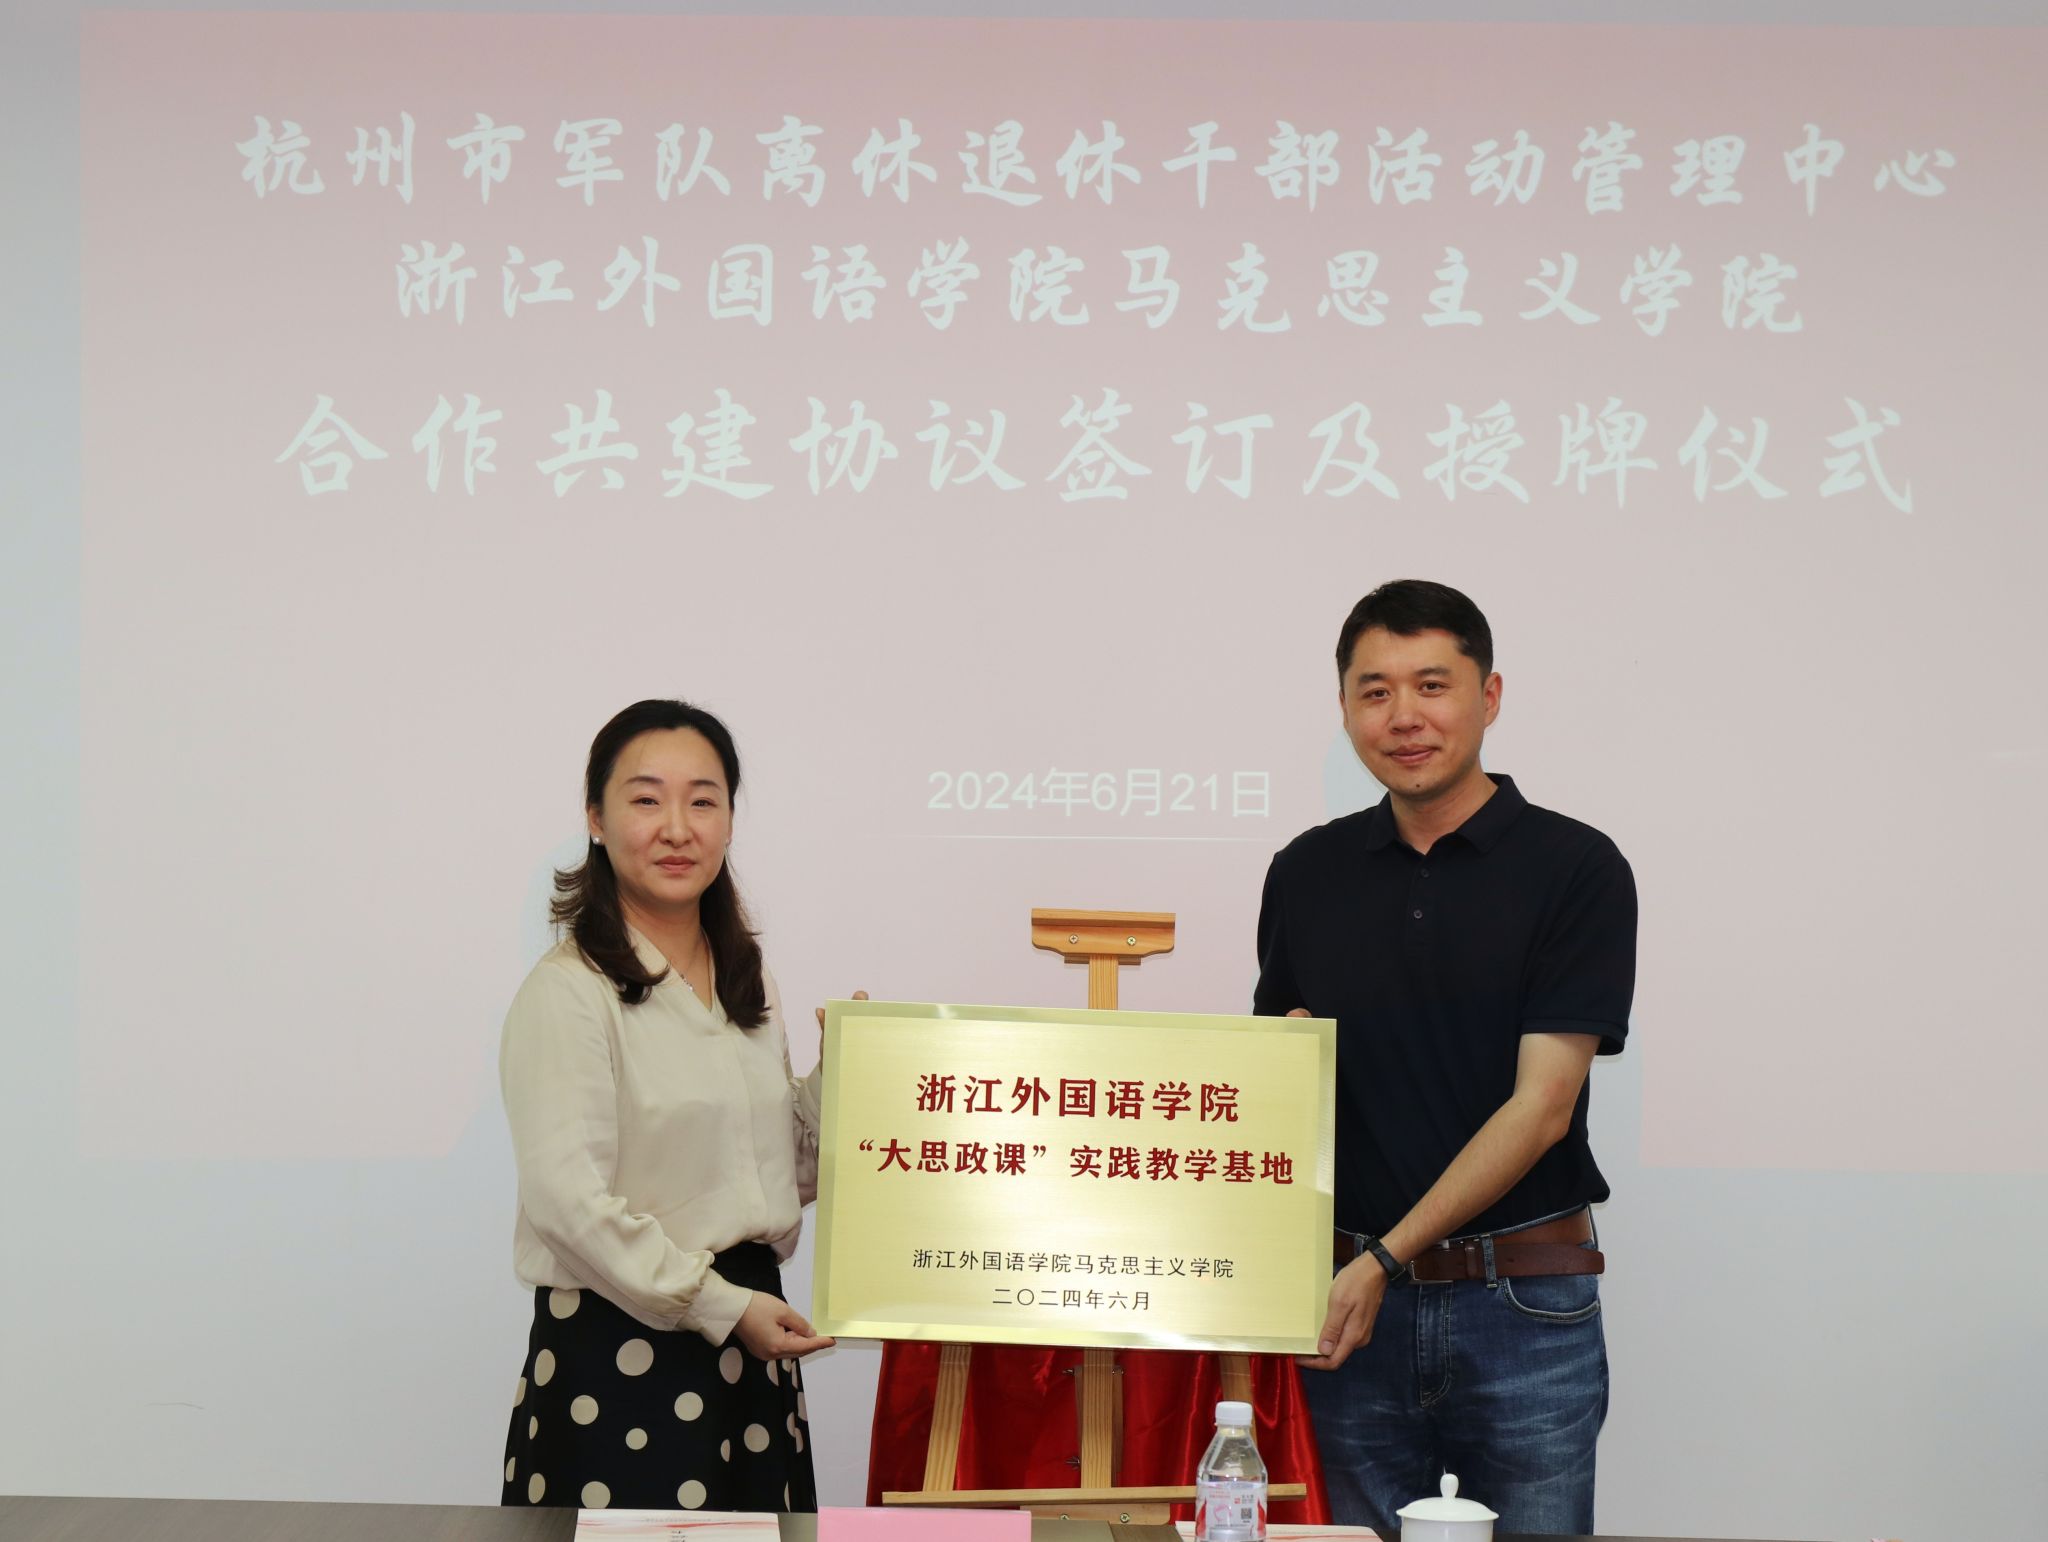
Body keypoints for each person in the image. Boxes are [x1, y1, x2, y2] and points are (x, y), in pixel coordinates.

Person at [1254, 580, 1637, 1537]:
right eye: (1375, 691)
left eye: (1432, 685)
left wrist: (1387, 1256)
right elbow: (1281, 1083)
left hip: (1522, 1305)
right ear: (1345, 708)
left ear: (1489, 696)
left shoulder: (1576, 868)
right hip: (1348, 1311)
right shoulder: (1306, 871)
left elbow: (1543, 1107)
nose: (1404, 717)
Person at [498, 699, 833, 1512]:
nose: (677, 828)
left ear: (729, 821)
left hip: (750, 1346)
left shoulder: (747, 982)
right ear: (596, 818)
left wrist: (846, 1074)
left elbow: (771, 1177)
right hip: (619, 1356)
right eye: (646, 799)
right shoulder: (569, 993)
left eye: (703, 801)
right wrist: (722, 1306)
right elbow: (567, 1205)